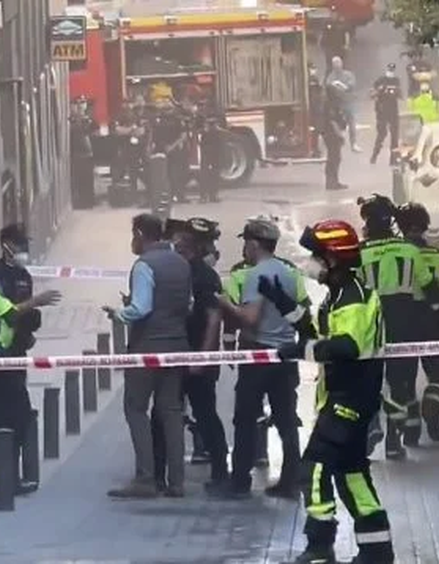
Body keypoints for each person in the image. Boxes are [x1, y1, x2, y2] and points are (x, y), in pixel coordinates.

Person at [258, 219, 395, 563]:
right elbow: (316, 331)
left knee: (314, 468)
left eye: (316, 256)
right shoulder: (340, 295)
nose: (311, 263)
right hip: (348, 399)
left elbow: (346, 346)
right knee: (352, 475)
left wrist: (300, 351)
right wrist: (284, 304)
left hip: (350, 400)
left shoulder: (353, 299)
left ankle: (320, 547)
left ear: (332, 259)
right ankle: (377, 550)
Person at [104, 214, 191, 499]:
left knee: (136, 408)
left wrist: (119, 313)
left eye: (134, 235)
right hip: (177, 345)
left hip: (148, 347)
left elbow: (141, 308)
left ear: (140, 234)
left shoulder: (144, 265)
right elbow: (187, 303)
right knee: (171, 411)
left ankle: (146, 478)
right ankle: (177, 481)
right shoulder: (181, 262)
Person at [215, 218, 301, 499]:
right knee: (286, 419)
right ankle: (291, 480)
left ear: (254, 244)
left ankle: (240, 480)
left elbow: (250, 318)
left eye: (245, 243)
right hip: (286, 353)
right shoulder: (289, 274)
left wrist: (225, 304)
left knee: (245, 418)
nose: (244, 249)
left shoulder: (256, 275)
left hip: (259, 353)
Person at [356, 195, 436, 460]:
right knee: (400, 384)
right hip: (404, 324)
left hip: (369, 325)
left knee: (368, 380)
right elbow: (429, 287)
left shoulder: (359, 253)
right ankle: (393, 439)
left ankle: (372, 425)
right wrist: (435, 317)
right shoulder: (409, 251)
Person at [152, 218, 229, 491]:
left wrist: (202, 357)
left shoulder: (204, 276)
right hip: (175, 354)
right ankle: (156, 474)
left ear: (193, 247)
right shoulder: (179, 271)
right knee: (162, 414)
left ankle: (220, 471)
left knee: (205, 413)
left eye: (182, 243)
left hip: (197, 357)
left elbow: (214, 319)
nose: (177, 246)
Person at [0, 223, 61, 494]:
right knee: (2, 415)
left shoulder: (24, 276)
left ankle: (12, 476)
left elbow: (28, 317)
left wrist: (30, 325)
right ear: (6, 245)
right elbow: (0, 313)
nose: (24, 250)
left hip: (17, 354)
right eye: (20, 245)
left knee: (18, 415)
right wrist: (33, 305)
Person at [395, 203, 439, 442]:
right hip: (433, 324)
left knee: (404, 380)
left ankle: (411, 427)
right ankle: (432, 407)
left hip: (402, 325)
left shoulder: (396, 259)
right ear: (425, 226)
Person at [324, 56, 360, 153]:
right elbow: (328, 86)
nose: (337, 65)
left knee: (351, 123)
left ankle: (354, 143)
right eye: (335, 63)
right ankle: (339, 141)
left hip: (348, 101)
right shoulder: (331, 76)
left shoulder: (348, 74)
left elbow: (352, 85)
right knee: (336, 123)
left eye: (338, 63)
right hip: (337, 103)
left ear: (341, 63)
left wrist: (343, 86)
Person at [370, 63, 402, 165]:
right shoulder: (380, 80)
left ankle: (393, 159)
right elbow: (372, 94)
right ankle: (374, 156)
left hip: (393, 110)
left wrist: (396, 92)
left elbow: (400, 95)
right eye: (389, 69)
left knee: (394, 136)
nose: (391, 71)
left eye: (392, 70)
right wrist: (380, 91)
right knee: (381, 134)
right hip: (382, 111)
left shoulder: (396, 81)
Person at [321, 90, 349, 191]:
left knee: (334, 158)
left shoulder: (331, 104)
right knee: (334, 158)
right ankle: (331, 182)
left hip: (330, 134)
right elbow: (332, 122)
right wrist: (339, 135)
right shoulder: (331, 105)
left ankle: (333, 181)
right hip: (332, 134)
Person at [198, 115, 224, 203]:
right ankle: (210, 195)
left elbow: (201, 143)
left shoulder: (207, 132)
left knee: (208, 174)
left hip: (210, 154)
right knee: (209, 174)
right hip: (211, 154)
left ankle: (207, 196)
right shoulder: (215, 132)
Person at [307, 63, 324, 158]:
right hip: (314, 109)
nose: (313, 71)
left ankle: (315, 149)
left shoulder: (314, 79)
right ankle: (315, 150)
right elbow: (316, 95)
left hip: (315, 109)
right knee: (315, 130)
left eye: (314, 69)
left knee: (316, 130)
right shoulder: (312, 80)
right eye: (311, 69)